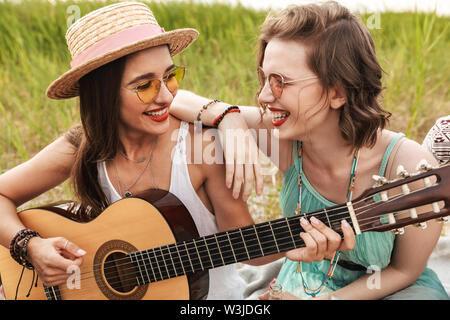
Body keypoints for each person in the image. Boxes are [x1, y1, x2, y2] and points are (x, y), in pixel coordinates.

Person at [170, 1, 449, 299]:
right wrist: (229, 118)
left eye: (281, 82)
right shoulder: (284, 137)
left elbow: (404, 271)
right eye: (265, 78)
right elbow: (174, 99)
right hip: (307, 280)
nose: (264, 95)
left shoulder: (407, 165)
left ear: (337, 91)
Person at [0, 1, 259, 300]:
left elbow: (249, 249)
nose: (165, 96)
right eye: (145, 85)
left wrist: (301, 241)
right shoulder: (83, 148)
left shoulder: (202, 149)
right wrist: (30, 246)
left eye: (170, 76)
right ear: (104, 96)